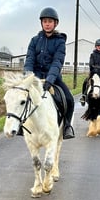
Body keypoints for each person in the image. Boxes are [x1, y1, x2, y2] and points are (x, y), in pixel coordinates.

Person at [24, 7, 76, 139]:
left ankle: (67, 126)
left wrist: (49, 80)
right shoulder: (34, 41)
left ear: (55, 23)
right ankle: (20, 125)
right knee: (20, 97)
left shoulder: (60, 42)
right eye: (45, 21)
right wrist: (29, 77)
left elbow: (57, 62)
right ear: (41, 23)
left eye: (50, 21)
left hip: (52, 79)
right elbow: (29, 60)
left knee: (69, 99)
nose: (47, 24)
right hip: (35, 77)